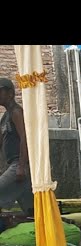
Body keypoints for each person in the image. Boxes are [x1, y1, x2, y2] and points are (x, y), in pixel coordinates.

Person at [0, 78, 34, 217]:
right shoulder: (5, 116)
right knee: (31, 209)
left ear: (10, 93)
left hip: (19, 165)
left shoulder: (16, 112)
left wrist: (21, 166)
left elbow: (25, 138)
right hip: (12, 164)